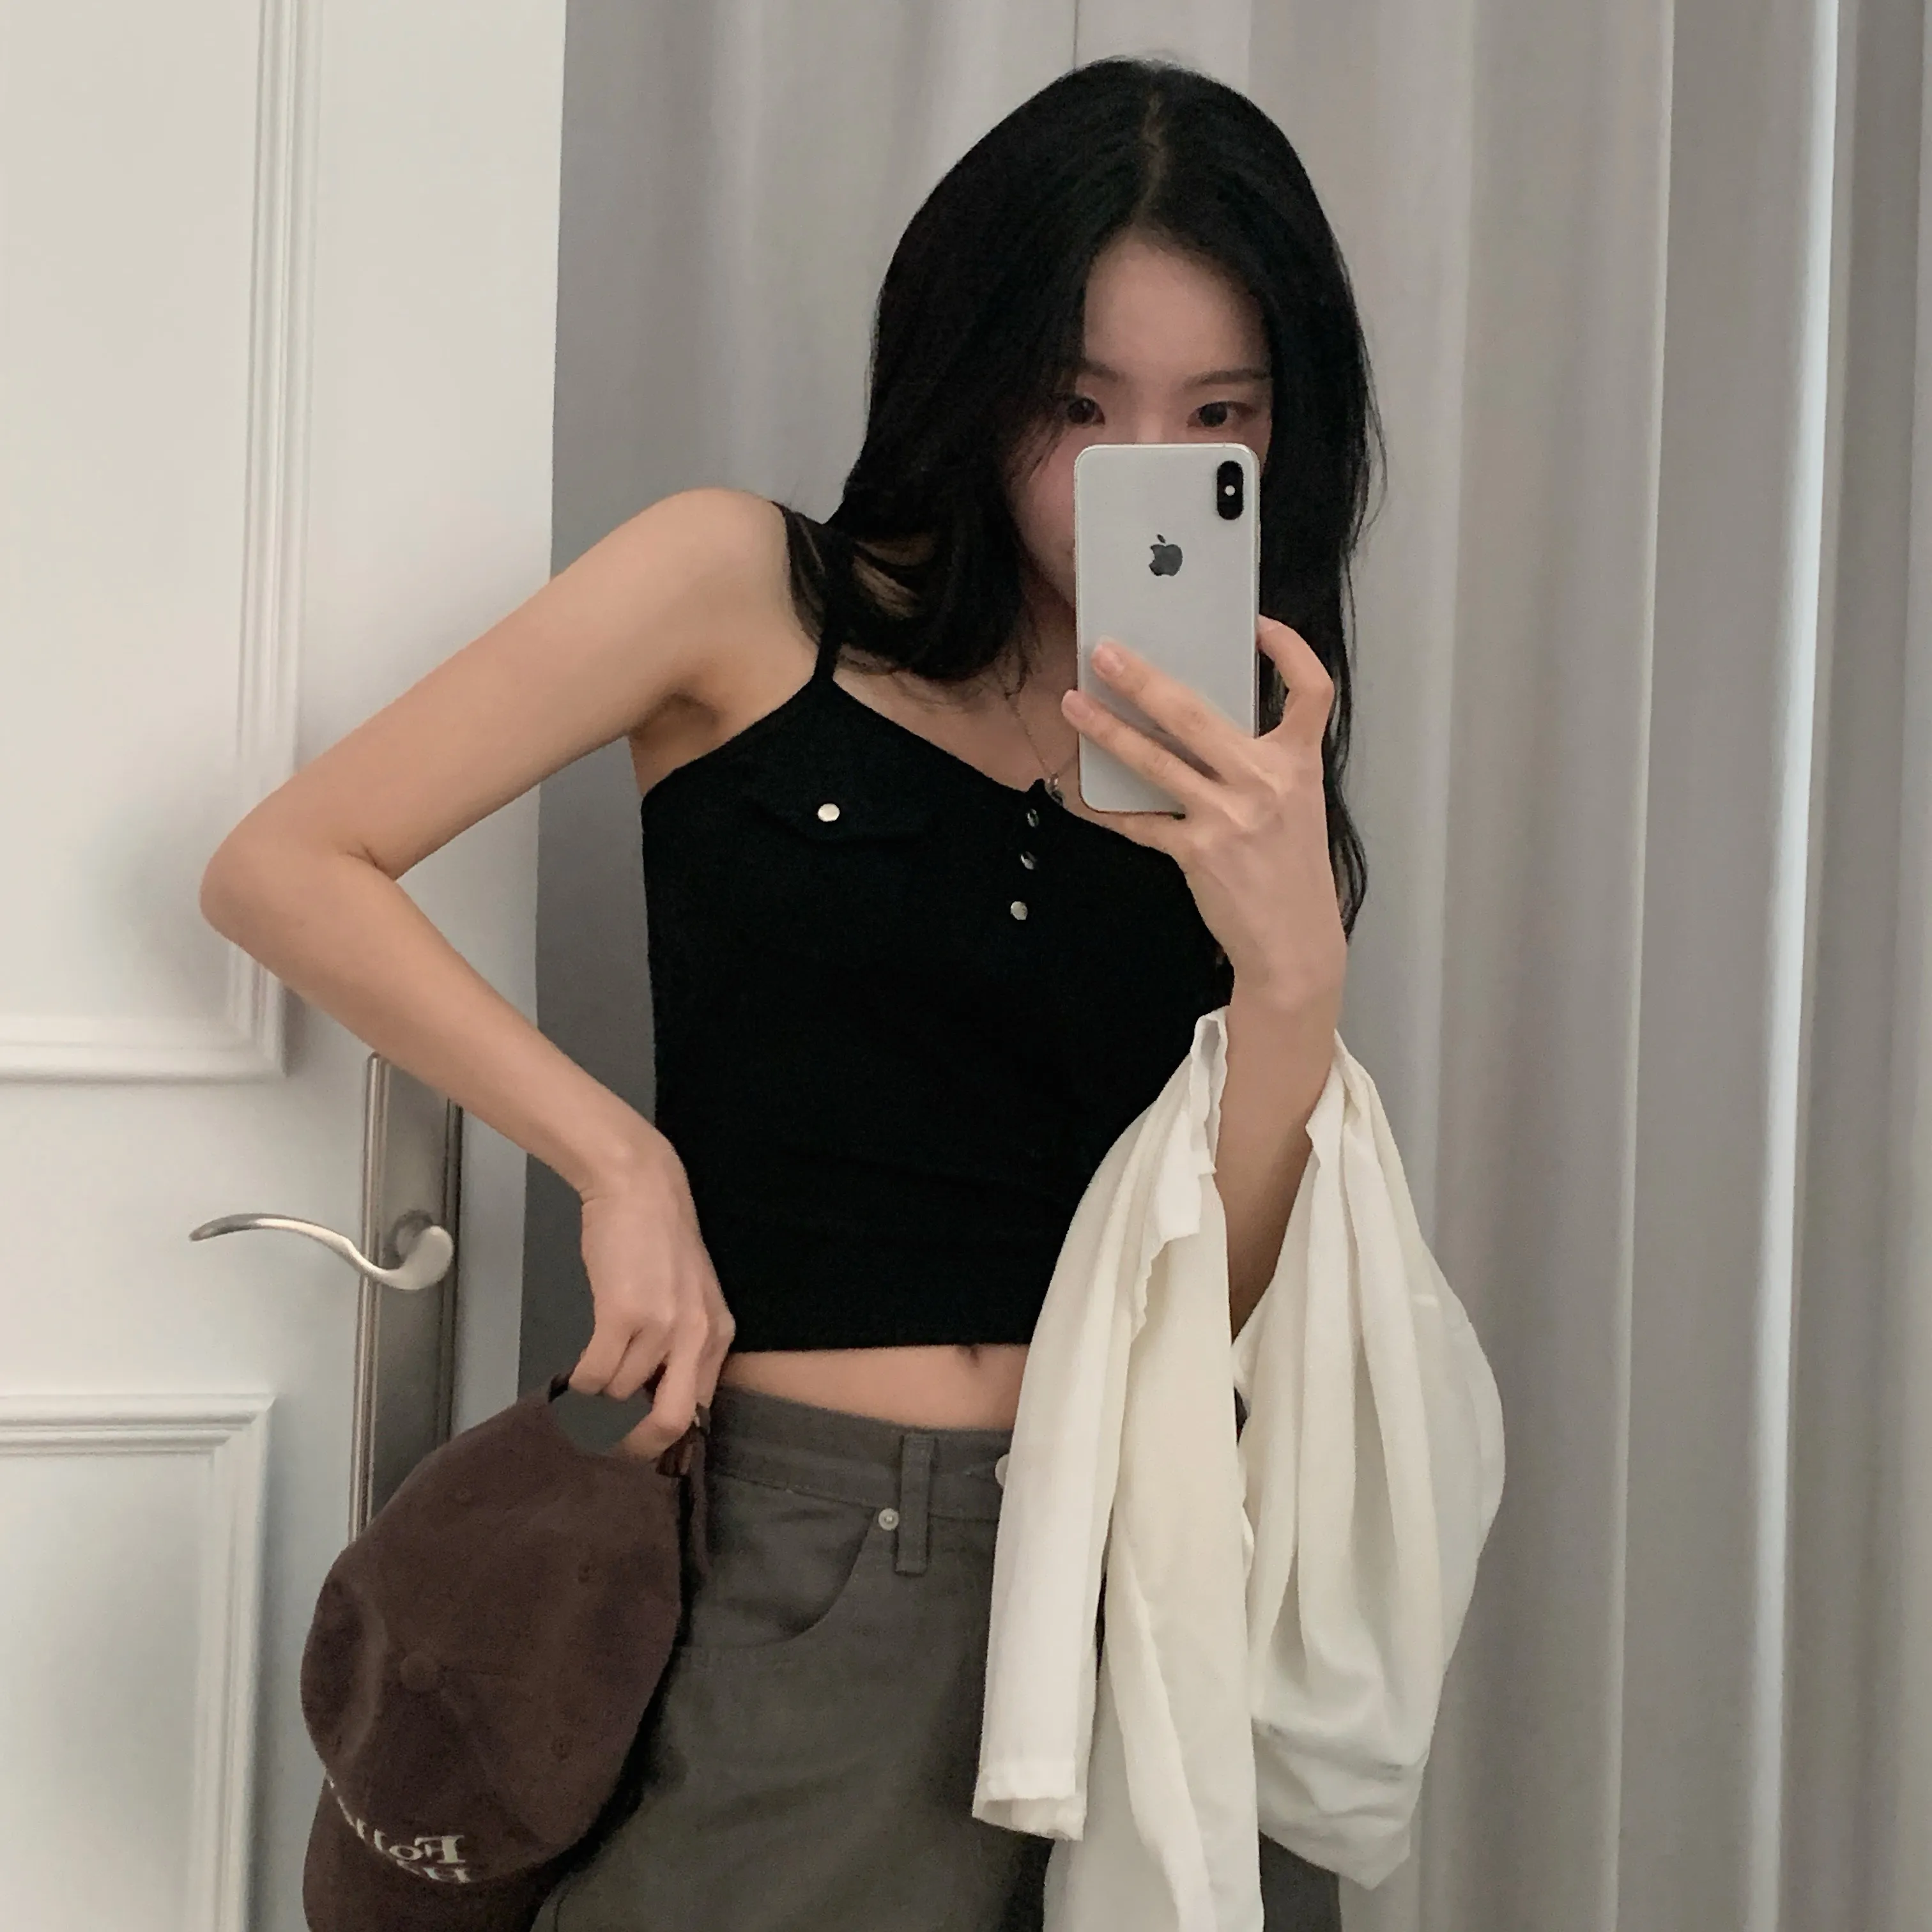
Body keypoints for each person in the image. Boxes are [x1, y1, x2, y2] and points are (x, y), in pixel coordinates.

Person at [201, 53, 1377, 1932]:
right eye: (1075, 402)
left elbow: (1212, 1295)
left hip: (1148, 1579)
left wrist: (1294, 975)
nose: (1132, 472)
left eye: (1212, 415)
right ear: (970, 370)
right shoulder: (742, 590)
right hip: (814, 1551)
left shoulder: (1236, 741)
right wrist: (619, 1161)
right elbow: (286, 865)